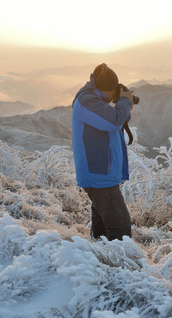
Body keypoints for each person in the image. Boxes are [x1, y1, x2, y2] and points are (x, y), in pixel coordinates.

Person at [71, 63, 135, 241]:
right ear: (107, 89)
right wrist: (123, 101)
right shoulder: (88, 101)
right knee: (120, 226)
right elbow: (113, 122)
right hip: (98, 173)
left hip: (100, 172)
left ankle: (97, 258)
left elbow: (114, 121)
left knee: (102, 226)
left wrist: (125, 107)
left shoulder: (94, 100)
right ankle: (120, 264)